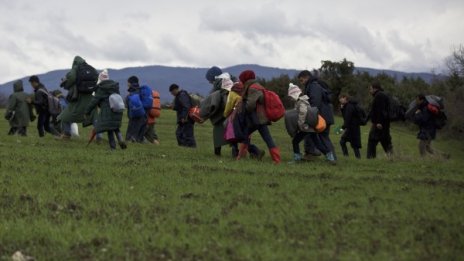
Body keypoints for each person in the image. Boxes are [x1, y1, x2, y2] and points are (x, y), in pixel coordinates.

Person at [237, 70, 280, 164]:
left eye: (241, 79)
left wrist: (245, 108)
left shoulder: (253, 88)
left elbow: (250, 105)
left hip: (255, 119)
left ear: (246, 78)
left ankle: (240, 157)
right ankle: (276, 159)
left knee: (245, 136)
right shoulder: (258, 86)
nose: (241, 82)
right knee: (268, 139)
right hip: (261, 118)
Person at [286, 83, 333, 163]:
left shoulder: (301, 102)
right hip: (310, 126)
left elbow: (303, 114)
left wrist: (301, 125)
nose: (290, 98)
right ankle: (330, 157)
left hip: (306, 127)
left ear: (295, 95)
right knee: (317, 143)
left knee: (295, 141)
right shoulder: (302, 101)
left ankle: (297, 158)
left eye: (291, 96)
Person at [298, 70, 336, 162]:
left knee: (322, 137)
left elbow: (315, 101)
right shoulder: (315, 85)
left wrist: (310, 114)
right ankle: (313, 154)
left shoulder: (313, 86)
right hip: (324, 115)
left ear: (307, 77)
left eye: (301, 80)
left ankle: (332, 158)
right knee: (318, 136)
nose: (301, 83)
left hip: (321, 116)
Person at [85, 70, 126, 150]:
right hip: (118, 109)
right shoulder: (114, 86)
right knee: (115, 127)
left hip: (107, 110)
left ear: (100, 79)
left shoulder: (101, 88)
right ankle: (121, 140)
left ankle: (113, 147)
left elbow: (94, 101)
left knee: (109, 129)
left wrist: (87, 111)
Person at [58, 56, 97, 139]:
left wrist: (67, 85)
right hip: (90, 96)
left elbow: (71, 77)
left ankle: (66, 134)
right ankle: (99, 136)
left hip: (78, 96)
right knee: (94, 116)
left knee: (65, 115)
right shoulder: (91, 68)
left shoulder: (76, 68)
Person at [223, 81, 265, 160]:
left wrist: (226, 115)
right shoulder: (244, 95)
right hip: (246, 120)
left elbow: (229, 107)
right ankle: (255, 152)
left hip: (236, 120)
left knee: (235, 137)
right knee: (244, 138)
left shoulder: (232, 95)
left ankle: (238, 154)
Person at [203, 66, 236, 156]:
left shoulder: (218, 84)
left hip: (224, 112)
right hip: (234, 109)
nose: (209, 82)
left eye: (209, 80)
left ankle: (217, 153)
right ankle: (236, 152)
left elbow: (212, 99)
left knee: (217, 131)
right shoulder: (231, 80)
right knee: (233, 132)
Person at [366, 82, 393, 159]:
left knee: (372, 140)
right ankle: (392, 156)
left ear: (375, 89)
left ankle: (371, 158)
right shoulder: (381, 95)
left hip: (379, 123)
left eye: (370, 89)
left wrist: (379, 122)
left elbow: (380, 110)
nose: (370, 91)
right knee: (385, 140)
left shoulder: (379, 96)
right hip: (384, 123)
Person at [169, 83, 196, 148]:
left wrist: (183, 117)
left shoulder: (182, 95)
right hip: (183, 118)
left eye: (172, 92)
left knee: (188, 135)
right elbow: (181, 107)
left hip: (186, 118)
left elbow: (186, 106)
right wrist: (174, 107)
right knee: (179, 134)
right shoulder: (180, 95)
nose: (172, 94)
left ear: (175, 90)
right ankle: (184, 147)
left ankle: (191, 148)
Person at [339, 94, 362, 159]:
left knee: (344, 142)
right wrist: (342, 109)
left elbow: (347, 118)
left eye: (341, 98)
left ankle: (347, 157)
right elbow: (345, 117)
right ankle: (354, 158)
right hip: (353, 128)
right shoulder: (348, 106)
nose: (340, 100)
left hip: (352, 128)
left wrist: (341, 128)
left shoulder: (349, 106)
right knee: (353, 144)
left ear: (345, 98)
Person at [125, 76, 147, 143]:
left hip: (133, 115)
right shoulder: (141, 91)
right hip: (142, 114)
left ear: (130, 83)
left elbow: (128, 105)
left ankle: (130, 140)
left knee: (131, 131)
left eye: (128, 83)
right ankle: (139, 141)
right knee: (139, 133)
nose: (127, 84)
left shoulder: (131, 92)